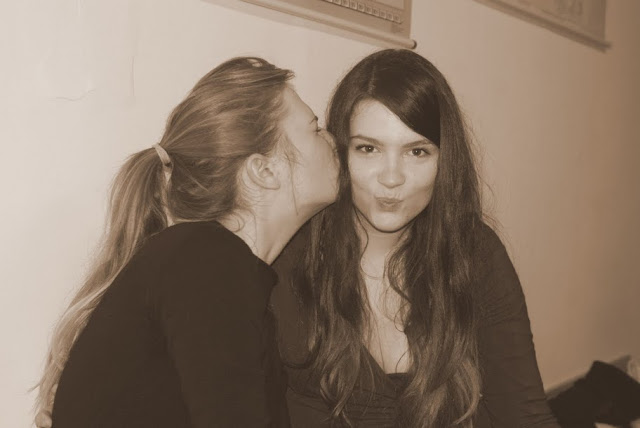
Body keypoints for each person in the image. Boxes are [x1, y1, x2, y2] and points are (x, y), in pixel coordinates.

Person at [34, 57, 338, 428]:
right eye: (315, 129)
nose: (332, 140)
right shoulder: (208, 262)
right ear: (264, 170)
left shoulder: (212, 264)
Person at [271, 49, 561, 427]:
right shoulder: (293, 258)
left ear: (444, 161)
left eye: (417, 151)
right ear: (339, 151)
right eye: (369, 149)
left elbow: (525, 414)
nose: (392, 177)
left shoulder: (474, 251)